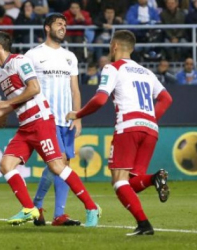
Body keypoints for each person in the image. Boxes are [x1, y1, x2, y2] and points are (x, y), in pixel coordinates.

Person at [0, 31, 101, 226]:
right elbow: (16, 99)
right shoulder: (0, 72)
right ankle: (29, 209)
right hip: (25, 126)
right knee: (5, 165)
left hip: (40, 121)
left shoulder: (20, 61)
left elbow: (34, 88)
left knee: (57, 166)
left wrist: (3, 108)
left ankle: (92, 207)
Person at [66, 30, 173, 235]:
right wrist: (148, 119)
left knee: (118, 181)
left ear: (114, 46)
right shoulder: (147, 72)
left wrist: (78, 113)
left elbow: (99, 99)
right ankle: (154, 179)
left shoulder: (112, 68)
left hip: (128, 127)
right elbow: (166, 99)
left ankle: (144, 225)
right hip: (150, 129)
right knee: (131, 182)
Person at [11, 13, 83, 226]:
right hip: (45, 118)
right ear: (47, 28)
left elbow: (75, 90)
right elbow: (25, 87)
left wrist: (77, 116)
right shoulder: (32, 55)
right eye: (59, 24)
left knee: (63, 165)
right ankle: (46, 209)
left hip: (66, 119)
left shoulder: (70, 57)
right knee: (59, 163)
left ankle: (45, 209)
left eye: (65, 24)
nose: (63, 27)